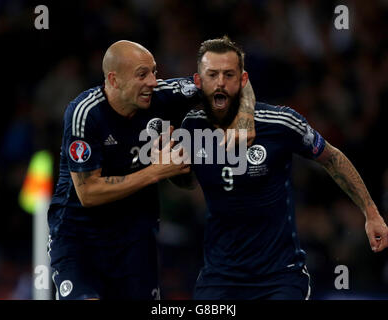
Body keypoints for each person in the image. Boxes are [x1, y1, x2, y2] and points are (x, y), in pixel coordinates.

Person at [178, 36, 388, 300]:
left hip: (279, 278)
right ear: (198, 82)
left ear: (243, 81)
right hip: (219, 277)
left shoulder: (281, 123)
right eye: (212, 75)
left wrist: (371, 212)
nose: (220, 82)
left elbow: (332, 157)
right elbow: (187, 180)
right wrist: (173, 169)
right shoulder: (191, 127)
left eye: (229, 75)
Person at [47, 40, 255, 300]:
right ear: (114, 79)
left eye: (154, 72)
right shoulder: (85, 114)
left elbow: (235, 81)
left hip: (135, 238)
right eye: (142, 74)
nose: (154, 82)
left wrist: (245, 119)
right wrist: (157, 171)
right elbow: (88, 192)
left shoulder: (165, 96)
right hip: (79, 239)